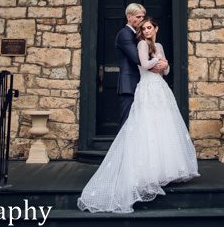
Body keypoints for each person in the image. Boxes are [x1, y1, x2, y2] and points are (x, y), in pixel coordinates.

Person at [78, 16, 199, 213]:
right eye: (144, 29)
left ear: (156, 28)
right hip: (147, 88)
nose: (147, 31)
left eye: (149, 28)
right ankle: (146, 173)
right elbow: (143, 64)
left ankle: (164, 170)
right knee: (146, 126)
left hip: (161, 88)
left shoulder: (158, 44)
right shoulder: (142, 44)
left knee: (164, 126)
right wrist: (158, 61)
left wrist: (164, 64)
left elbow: (166, 71)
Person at [114, 3, 166, 127]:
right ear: (129, 17)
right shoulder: (125, 34)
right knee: (127, 123)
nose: (141, 19)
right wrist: (160, 64)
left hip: (141, 83)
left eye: (142, 17)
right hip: (129, 84)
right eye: (138, 17)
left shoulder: (137, 35)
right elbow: (137, 59)